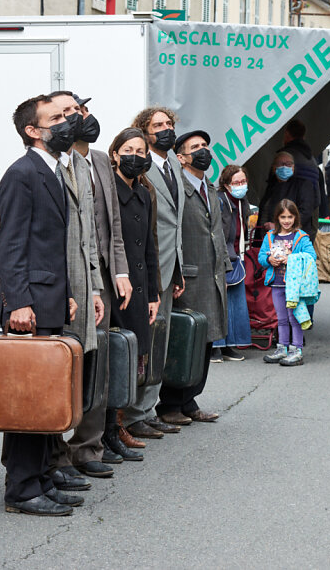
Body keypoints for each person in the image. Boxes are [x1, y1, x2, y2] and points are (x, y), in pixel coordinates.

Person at [0, 94, 80, 516]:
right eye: (57, 118)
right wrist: (20, 303)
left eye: (67, 115)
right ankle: (23, 490)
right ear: (33, 130)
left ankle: (43, 478)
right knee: (28, 401)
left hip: (49, 300)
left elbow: (47, 245)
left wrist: (63, 293)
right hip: (27, 308)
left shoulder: (52, 170)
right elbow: (11, 245)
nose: (68, 121)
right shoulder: (22, 174)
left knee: (45, 398)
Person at [68, 94, 135, 466]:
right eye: (76, 113)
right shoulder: (64, 163)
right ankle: (63, 449)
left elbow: (113, 226)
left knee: (101, 362)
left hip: (105, 279)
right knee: (73, 362)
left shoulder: (99, 161)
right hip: (74, 281)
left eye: (86, 111)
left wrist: (120, 272)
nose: (85, 118)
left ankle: (90, 445)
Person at [45, 92, 107, 482]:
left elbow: (90, 236)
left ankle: (73, 452)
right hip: (58, 291)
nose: (73, 118)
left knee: (81, 371)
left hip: (85, 289)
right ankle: (52, 459)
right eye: (64, 113)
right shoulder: (41, 169)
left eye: (76, 111)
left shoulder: (80, 165)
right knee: (51, 374)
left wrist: (96, 288)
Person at [158, 129, 228, 426]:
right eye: (195, 147)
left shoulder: (210, 187)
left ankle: (191, 400)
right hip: (189, 275)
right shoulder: (178, 189)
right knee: (185, 338)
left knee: (206, 340)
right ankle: (171, 403)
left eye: (206, 146)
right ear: (182, 157)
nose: (204, 151)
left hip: (213, 273)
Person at [125, 106, 186, 443]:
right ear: (144, 131)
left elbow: (175, 222)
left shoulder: (174, 163)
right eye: (158, 125)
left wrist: (178, 269)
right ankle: (133, 414)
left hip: (169, 265)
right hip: (147, 268)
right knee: (145, 340)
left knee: (160, 341)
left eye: (169, 124)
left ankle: (149, 409)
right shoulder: (142, 166)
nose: (165, 129)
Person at [107, 128, 162, 448]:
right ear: (115, 154)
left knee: (134, 357)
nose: (135, 157)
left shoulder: (144, 193)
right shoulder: (109, 192)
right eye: (128, 150)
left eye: (141, 151)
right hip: (117, 288)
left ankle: (122, 422)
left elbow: (150, 248)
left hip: (141, 289)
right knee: (116, 357)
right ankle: (112, 428)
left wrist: (154, 293)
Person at [259, 200, 317, 366]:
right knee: (281, 318)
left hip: (294, 287)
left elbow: (311, 256)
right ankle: (282, 348)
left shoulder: (301, 237)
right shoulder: (270, 236)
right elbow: (261, 257)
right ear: (277, 218)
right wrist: (269, 259)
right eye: (283, 217)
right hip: (276, 283)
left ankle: (296, 350)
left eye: (290, 217)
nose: (286, 220)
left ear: (295, 217)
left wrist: (291, 258)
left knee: (295, 318)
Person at [217, 165, 251, 360]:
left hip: (237, 256)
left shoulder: (241, 202)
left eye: (243, 182)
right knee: (221, 303)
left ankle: (230, 344)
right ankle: (216, 346)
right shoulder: (220, 201)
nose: (241, 186)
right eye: (236, 183)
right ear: (226, 185)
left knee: (236, 304)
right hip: (224, 256)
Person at [278, 119, 324, 235]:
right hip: (309, 221)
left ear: (287, 134)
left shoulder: (284, 157)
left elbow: (274, 195)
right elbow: (316, 197)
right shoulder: (311, 159)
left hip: (287, 222)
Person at [260, 151, 319, 238]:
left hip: (294, 238)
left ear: (293, 167)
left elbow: (305, 212)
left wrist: (279, 227)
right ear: (274, 167)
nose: (284, 167)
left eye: (288, 164)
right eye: (281, 163)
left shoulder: (303, 185)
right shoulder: (270, 186)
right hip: (269, 238)